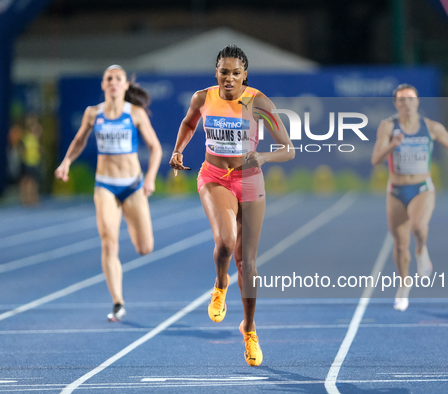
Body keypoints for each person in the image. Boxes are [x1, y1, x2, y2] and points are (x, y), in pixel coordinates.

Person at [169, 45, 294, 366]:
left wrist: (264, 156)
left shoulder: (258, 101)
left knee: (248, 263)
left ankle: (249, 330)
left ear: (245, 75)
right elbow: (188, 124)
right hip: (214, 177)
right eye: (224, 71)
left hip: (250, 179)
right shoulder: (202, 98)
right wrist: (178, 150)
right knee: (225, 243)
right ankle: (219, 284)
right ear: (216, 72)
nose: (229, 78)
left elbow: (288, 149)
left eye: (236, 73)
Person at [55, 65, 162, 321]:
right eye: (108, 79)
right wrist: (67, 161)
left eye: (118, 79)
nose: (113, 82)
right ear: (103, 85)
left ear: (125, 85)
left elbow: (155, 148)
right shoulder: (93, 113)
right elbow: (80, 139)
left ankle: (119, 297)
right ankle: (117, 302)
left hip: (133, 185)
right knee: (108, 242)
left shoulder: (134, 113)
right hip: (105, 185)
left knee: (145, 247)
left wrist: (149, 179)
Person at [371, 84, 448, 311]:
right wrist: (392, 145)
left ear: (417, 101)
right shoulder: (388, 127)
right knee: (401, 245)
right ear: (396, 104)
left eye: (410, 99)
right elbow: (375, 159)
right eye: (401, 100)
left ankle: (422, 249)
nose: (406, 103)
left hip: (422, 187)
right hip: (395, 190)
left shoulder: (431, 127)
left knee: (419, 227)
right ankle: (404, 285)